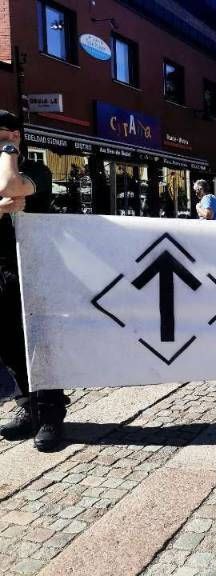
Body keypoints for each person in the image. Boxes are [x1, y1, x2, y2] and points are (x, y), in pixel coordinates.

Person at [0, 110, 68, 451]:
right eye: (2, 135)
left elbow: (9, 186)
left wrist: (8, 152)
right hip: (2, 272)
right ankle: (28, 407)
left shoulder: (36, 170)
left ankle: (52, 414)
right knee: (8, 342)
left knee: (40, 342)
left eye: (13, 134)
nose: (8, 139)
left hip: (35, 269)